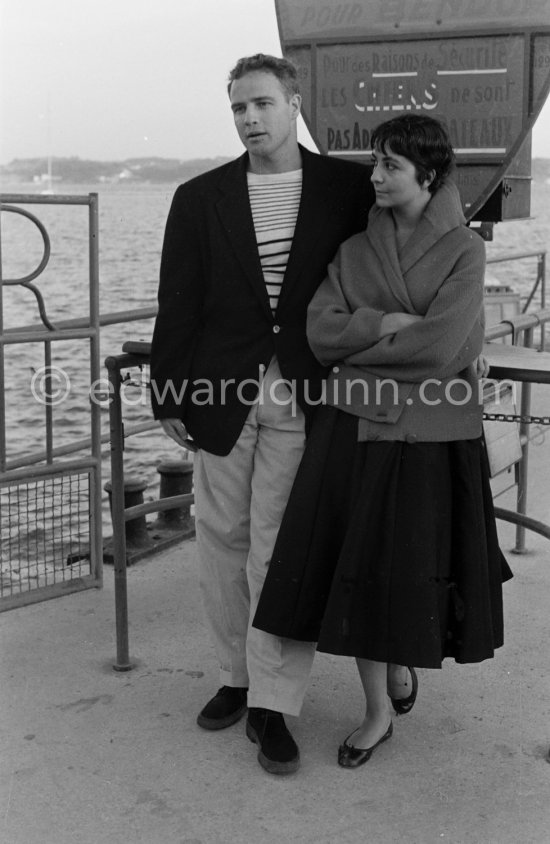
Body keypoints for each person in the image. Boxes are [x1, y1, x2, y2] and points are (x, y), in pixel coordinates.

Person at [254, 114, 512, 768]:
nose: (375, 177)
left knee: (408, 566)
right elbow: (319, 332)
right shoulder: (354, 249)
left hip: (429, 433)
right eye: (375, 164)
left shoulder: (465, 249)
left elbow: (444, 346)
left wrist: (366, 344)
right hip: (357, 431)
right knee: (363, 569)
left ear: (428, 174)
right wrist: (392, 323)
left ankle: (401, 668)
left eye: (390, 166)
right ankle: (375, 712)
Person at [149, 54, 375, 775]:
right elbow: (177, 300)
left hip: (303, 392)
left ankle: (275, 702)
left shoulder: (343, 187)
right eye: (238, 108)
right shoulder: (200, 196)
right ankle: (236, 680)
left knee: (279, 547)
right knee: (220, 539)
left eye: (261, 104)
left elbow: (382, 265)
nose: (249, 118)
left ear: (294, 103)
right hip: (221, 393)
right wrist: (169, 392)